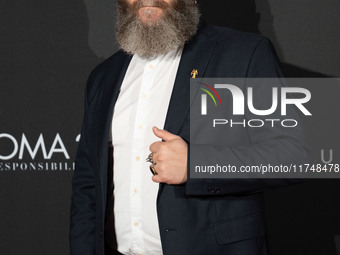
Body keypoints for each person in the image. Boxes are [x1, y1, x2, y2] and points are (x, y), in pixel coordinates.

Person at [70, 0, 307, 254]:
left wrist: (195, 165)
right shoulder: (102, 76)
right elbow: (88, 183)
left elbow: (298, 155)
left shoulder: (246, 52)